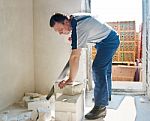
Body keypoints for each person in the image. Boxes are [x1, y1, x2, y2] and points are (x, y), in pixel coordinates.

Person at [49, 13, 120, 120]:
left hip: (109, 41)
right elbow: (90, 25)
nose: (60, 33)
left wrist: (70, 79)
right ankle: (104, 97)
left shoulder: (78, 26)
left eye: (60, 30)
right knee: (105, 70)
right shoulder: (74, 19)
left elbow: (75, 57)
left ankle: (100, 107)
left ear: (66, 22)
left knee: (98, 68)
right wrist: (77, 39)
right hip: (104, 39)